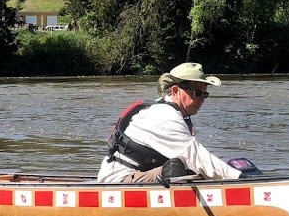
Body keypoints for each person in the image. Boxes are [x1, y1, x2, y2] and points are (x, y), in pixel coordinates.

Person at [99, 62, 243, 183]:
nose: (201, 99)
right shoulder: (164, 116)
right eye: (197, 93)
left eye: (205, 94)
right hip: (119, 179)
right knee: (179, 168)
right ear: (175, 91)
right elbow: (196, 156)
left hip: (141, 172)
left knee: (188, 168)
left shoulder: (171, 112)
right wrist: (239, 178)